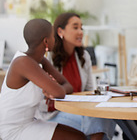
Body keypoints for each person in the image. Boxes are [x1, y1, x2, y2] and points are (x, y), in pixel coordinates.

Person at [0, 18, 86, 140]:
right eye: (53, 36)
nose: (55, 39)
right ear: (46, 41)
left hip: (30, 122)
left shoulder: (40, 60)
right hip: (13, 130)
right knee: (77, 138)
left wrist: (52, 87)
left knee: (80, 136)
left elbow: (67, 86)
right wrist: (52, 87)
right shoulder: (23, 62)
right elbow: (60, 92)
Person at [36, 12, 115, 140]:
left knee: (105, 118)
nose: (80, 32)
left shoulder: (84, 57)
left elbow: (89, 91)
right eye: (75, 27)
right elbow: (43, 93)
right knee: (97, 127)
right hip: (54, 112)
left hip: (80, 110)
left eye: (81, 28)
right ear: (60, 31)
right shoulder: (48, 57)